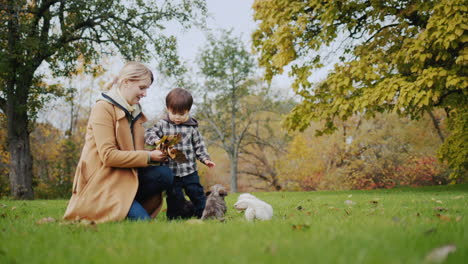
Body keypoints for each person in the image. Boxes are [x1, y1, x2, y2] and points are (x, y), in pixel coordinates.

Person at [63, 62, 173, 223]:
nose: (145, 94)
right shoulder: (103, 108)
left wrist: (159, 150)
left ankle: (128, 201)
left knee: (165, 175)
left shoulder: (134, 110)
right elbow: (108, 156)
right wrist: (149, 156)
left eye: (147, 89)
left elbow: (135, 152)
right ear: (126, 82)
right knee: (143, 222)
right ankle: (113, 205)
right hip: (104, 183)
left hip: (126, 176)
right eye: (142, 88)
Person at [145, 88, 216, 219]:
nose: (177, 117)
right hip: (171, 170)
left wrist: (205, 159)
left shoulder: (192, 128)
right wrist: (157, 141)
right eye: (174, 113)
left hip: (189, 170)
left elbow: (199, 146)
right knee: (174, 196)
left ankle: (204, 215)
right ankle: (173, 218)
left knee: (197, 193)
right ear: (168, 109)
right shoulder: (162, 125)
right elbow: (148, 133)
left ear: (188, 111)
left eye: (182, 114)